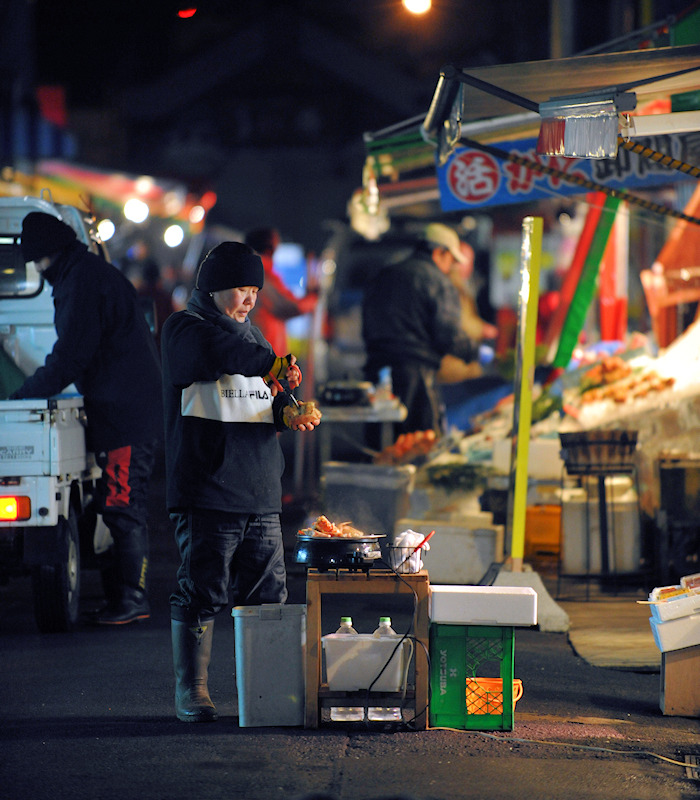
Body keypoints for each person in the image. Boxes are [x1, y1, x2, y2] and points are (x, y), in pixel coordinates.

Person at [160, 241, 320, 723]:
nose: (249, 299)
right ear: (211, 288)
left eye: (255, 289)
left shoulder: (255, 341)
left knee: (268, 596)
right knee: (203, 591)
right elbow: (215, 354)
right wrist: (269, 363)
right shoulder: (185, 330)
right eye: (240, 289)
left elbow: (255, 401)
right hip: (208, 491)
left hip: (260, 492)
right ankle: (194, 692)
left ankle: (267, 693)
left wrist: (286, 414)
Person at [10, 211, 163, 625]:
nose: (36, 269)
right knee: (119, 501)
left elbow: (71, 356)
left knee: (122, 502)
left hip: (125, 413)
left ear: (46, 255)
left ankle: (133, 600)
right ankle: (125, 598)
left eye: (34, 260)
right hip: (128, 408)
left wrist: (21, 397)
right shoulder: (90, 271)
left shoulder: (81, 281)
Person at [362, 223, 480, 436]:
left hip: (377, 372)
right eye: (450, 260)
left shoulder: (385, 274)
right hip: (416, 379)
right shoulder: (438, 281)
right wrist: (475, 352)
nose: (451, 267)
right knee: (419, 446)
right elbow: (448, 335)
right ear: (438, 252)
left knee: (382, 447)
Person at [244, 227, 318, 355]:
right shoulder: (262, 275)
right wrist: (313, 297)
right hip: (264, 351)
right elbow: (292, 306)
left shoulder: (248, 270)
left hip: (256, 350)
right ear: (270, 248)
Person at [437, 240, 498, 385]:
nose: (470, 265)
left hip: (457, 364)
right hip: (456, 367)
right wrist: (482, 328)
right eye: (467, 260)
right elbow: (459, 322)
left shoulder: (455, 285)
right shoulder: (452, 287)